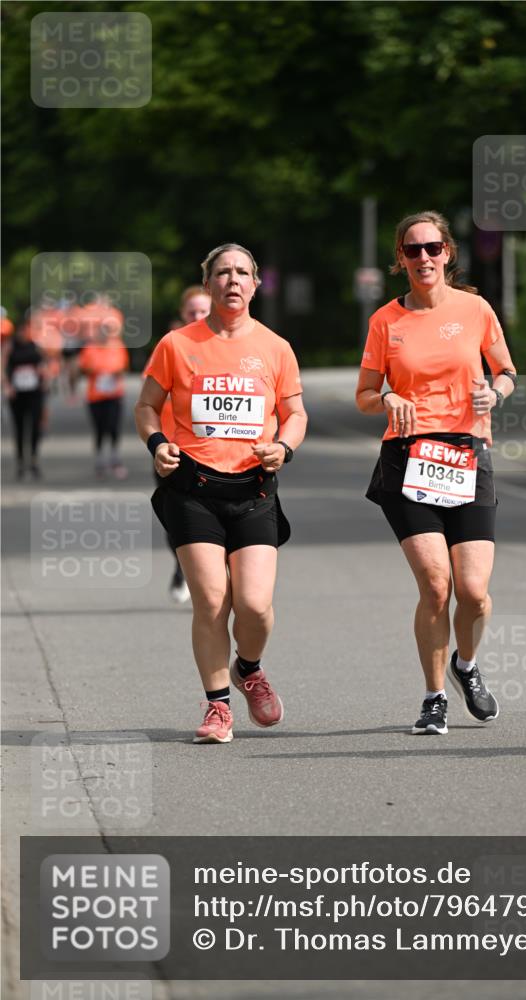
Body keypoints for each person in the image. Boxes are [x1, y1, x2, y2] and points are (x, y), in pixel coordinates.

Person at [135, 243, 307, 744]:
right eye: (223, 272)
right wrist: (158, 443)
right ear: (207, 283)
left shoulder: (275, 347)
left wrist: (284, 447)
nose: (233, 280)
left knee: (254, 606)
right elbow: (147, 406)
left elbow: (295, 414)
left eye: (242, 273)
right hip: (193, 488)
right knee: (211, 600)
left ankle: (248, 667)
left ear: (256, 284)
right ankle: (217, 708)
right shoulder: (176, 344)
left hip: (253, 488)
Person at [356, 210, 517, 735]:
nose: (422, 258)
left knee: (473, 592)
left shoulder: (475, 310)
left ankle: (464, 667)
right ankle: (433, 699)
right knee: (435, 584)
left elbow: (508, 372)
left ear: (447, 252)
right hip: (408, 458)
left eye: (431, 248)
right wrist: (388, 395)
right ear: (400, 260)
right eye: (411, 250)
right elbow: (363, 394)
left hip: (467, 456)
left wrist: (494, 392)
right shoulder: (386, 321)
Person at [144, 285, 212, 604]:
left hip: (221, 455)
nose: (198, 317)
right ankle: (183, 567)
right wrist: (158, 443)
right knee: (179, 520)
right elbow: (148, 403)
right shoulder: (170, 348)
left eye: (203, 311)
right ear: (182, 316)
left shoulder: (234, 348)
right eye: (192, 312)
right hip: (174, 452)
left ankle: (214, 576)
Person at [78, 323, 130, 479]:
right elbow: (83, 369)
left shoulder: (118, 346)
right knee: (99, 428)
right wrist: (95, 370)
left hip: (114, 394)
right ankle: (100, 460)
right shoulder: (89, 349)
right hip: (96, 395)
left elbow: (124, 366)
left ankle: (115, 459)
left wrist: (115, 372)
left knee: (113, 426)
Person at [2, 323, 48, 479]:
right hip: (17, 393)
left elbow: (44, 364)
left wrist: (45, 379)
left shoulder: (35, 346)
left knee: (35, 427)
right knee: (19, 428)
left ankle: (34, 460)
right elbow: (2, 366)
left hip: (34, 392)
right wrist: (7, 386)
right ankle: (21, 461)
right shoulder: (10, 346)